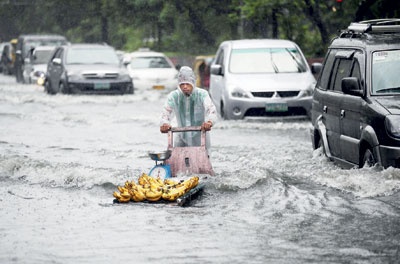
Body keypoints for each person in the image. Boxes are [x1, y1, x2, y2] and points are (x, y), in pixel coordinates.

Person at [160, 66, 217, 149]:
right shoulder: (174, 96)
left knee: (203, 160)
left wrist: (209, 122)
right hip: (181, 137)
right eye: (182, 84)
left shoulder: (202, 94)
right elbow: (165, 113)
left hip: (200, 137)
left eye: (187, 84)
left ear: (193, 83)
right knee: (175, 158)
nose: (185, 87)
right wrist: (164, 124)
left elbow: (211, 110)